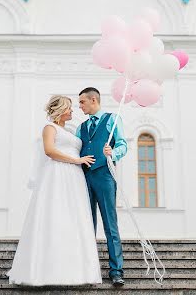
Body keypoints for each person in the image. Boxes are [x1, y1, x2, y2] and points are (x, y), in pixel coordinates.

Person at [7, 95, 102, 286]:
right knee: (56, 216)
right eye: (69, 108)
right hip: (58, 174)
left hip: (74, 178)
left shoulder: (71, 131)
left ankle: (75, 270)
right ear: (60, 110)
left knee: (73, 219)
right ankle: (48, 270)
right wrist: (77, 161)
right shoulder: (49, 128)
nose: (72, 111)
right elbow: (49, 151)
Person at [77, 87, 128, 287]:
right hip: (85, 177)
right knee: (87, 224)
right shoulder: (81, 127)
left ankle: (116, 271)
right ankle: (88, 268)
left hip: (105, 176)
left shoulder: (112, 119)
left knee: (110, 224)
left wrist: (112, 152)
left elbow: (123, 144)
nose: (79, 106)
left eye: (82, 102)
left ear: (93, 100)